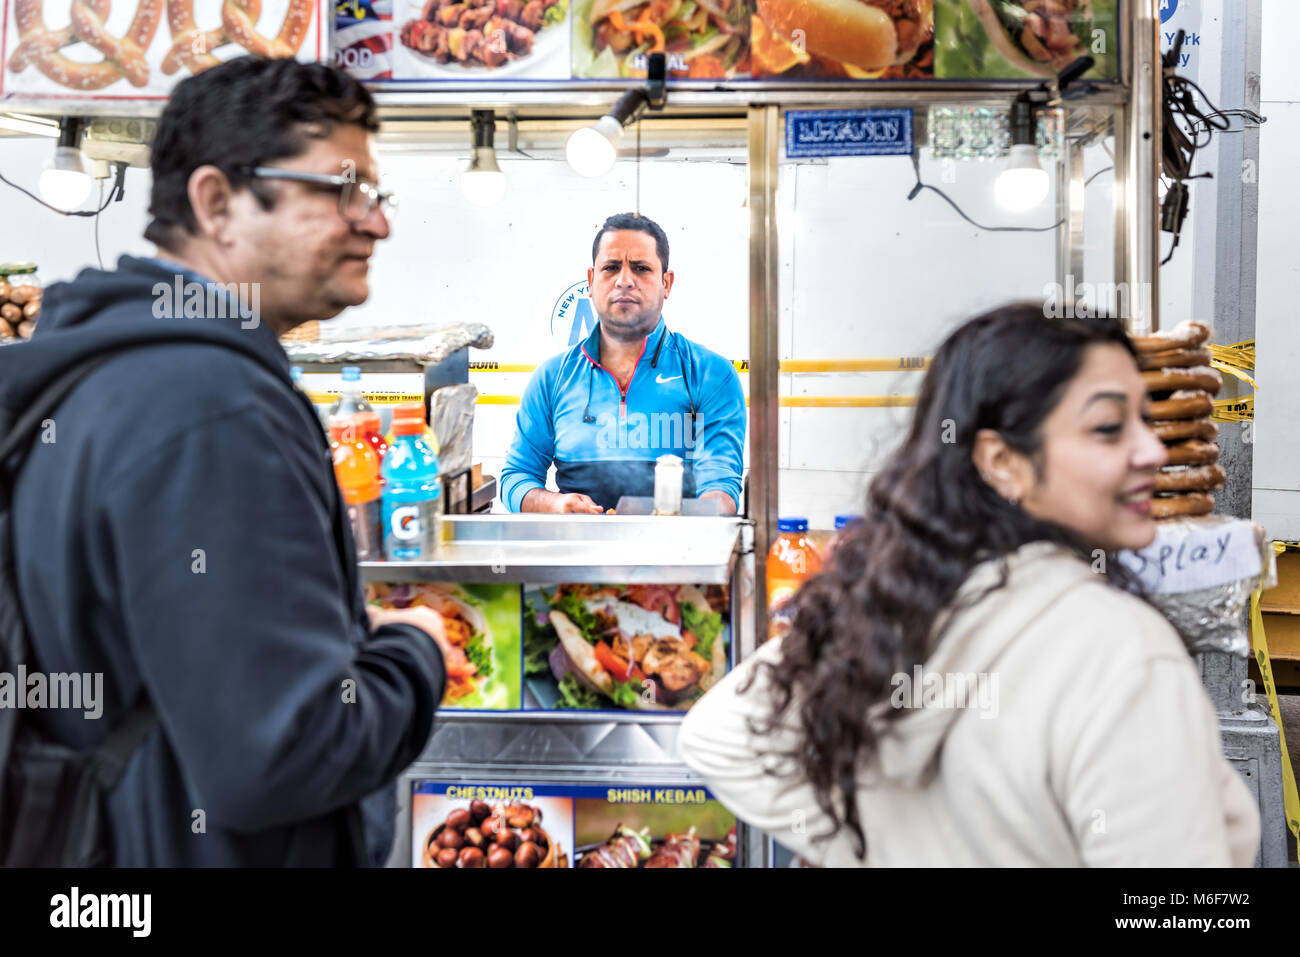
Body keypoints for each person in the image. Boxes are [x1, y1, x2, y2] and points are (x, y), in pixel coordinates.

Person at [0, 58, 450, 866]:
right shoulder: (209, 405)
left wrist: (336, 634)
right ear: (216, 202)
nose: (375, 222)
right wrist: (412, 650)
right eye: (340, 190)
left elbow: (176, 655)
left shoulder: (103, 368)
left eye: (375, 195)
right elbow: (280, 754)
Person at [678, 304, 1260, 866]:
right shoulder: (1122, 650)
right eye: (1110, 427)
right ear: (1001, 461)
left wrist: (869, 849)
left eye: (1147, 420)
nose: (1152, 450)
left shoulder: (901, 596)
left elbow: (717, 734)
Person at [499, 213, 746, 514]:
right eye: (611, 267)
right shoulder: (552, 378)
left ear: (666, 283)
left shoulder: (710, 374)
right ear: (591, 281)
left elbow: (722, 488)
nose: (625, 280)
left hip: (678, 555)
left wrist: (685, 523)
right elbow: (515, 478)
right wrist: (555, 503)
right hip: (575, 557)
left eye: (641, 269)